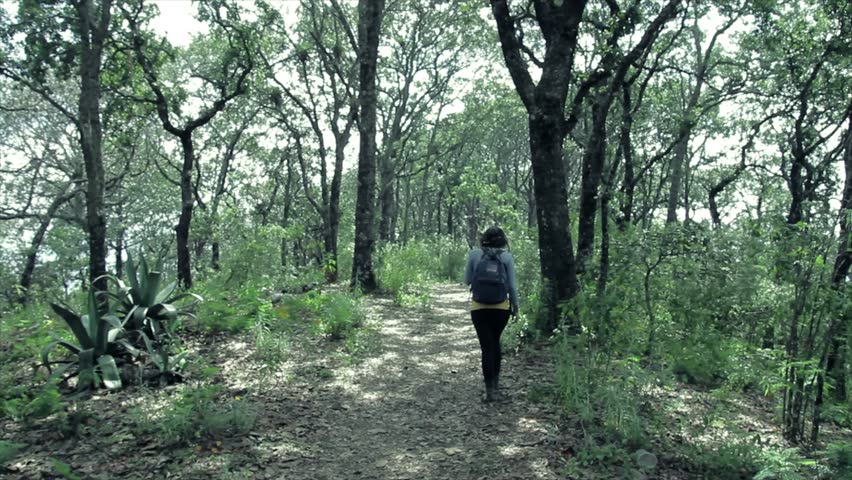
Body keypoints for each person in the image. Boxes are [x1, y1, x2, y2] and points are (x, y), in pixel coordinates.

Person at [463, 226, 519, 403]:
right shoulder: (506, 257)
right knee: (495, 344)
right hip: (501, 308)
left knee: (486, 348)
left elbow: (467, 280)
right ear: (502, 241)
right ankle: (496, 388)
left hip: (479, 308)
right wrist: (516, 307)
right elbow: (512, 287)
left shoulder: (474, 255)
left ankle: (489, 392)